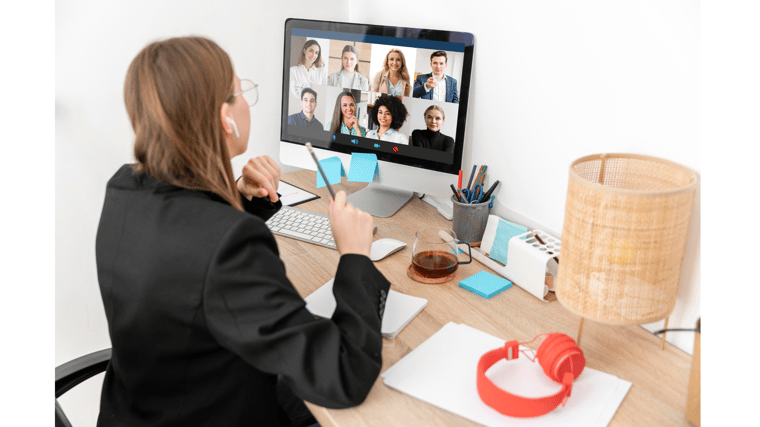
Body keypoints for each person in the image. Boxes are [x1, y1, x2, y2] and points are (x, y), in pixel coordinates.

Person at [96, 36, 389, 427]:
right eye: (241, 92)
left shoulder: (124, 189)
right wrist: (354, 256)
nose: (247, 101)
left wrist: (237, 198)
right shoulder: (227, 244)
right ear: (225, 117)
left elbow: (187, 260)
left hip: (145, 406)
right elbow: (343, 374)